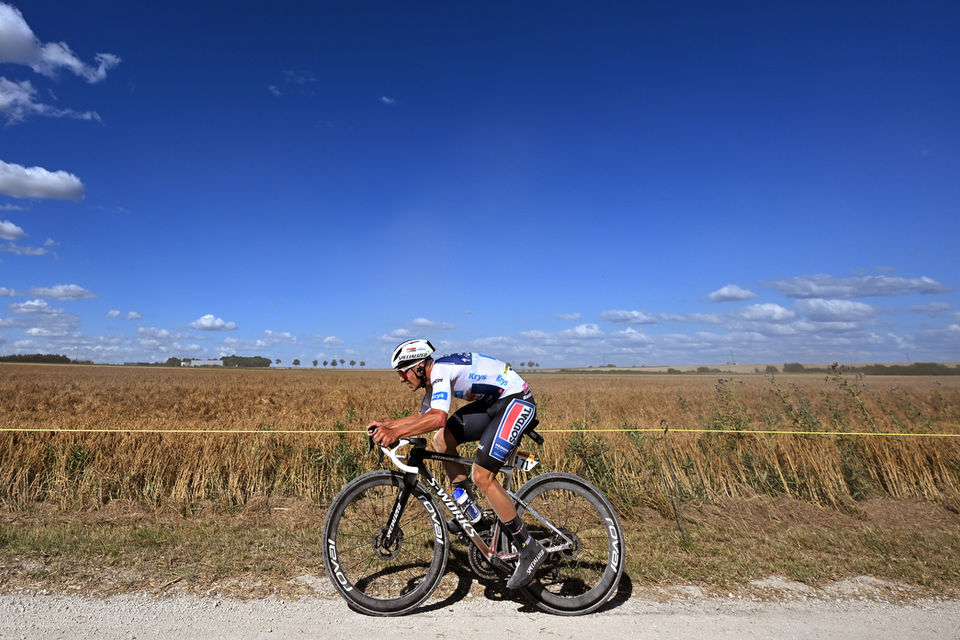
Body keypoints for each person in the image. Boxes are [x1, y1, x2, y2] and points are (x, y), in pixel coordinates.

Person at [366, 338, 546, 589]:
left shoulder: (439, 371)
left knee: (483, 476)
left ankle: (529, 548)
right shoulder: (433, 378)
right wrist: (388, 426)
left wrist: (396, 434)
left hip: (516, 400)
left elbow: (438, 417)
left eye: (402, 372)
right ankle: (471, 512)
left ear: (418, 366)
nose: (401, 378)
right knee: (443, 440)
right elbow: (422, 416)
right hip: (493, 404)